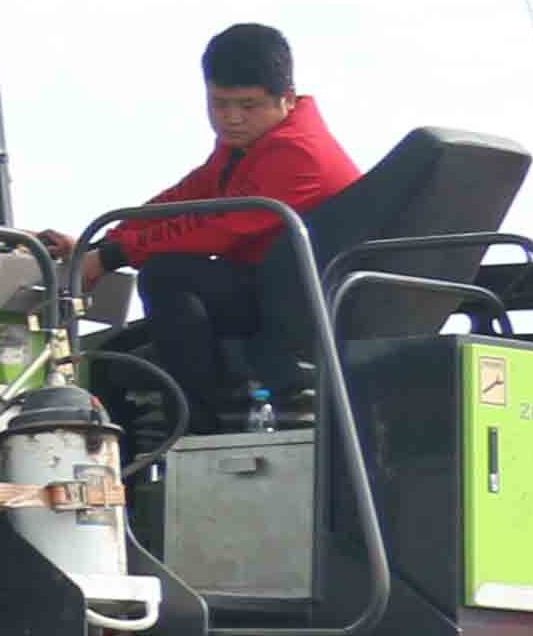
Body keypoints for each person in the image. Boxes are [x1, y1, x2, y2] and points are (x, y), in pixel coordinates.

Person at [98, 21, 363, 425]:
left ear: (286, 98)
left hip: (301, 304)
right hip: (264, 287)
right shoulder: (249, 143)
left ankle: (196, 427)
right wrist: (103, 242)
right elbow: (187, 198)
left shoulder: (298, 153)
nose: (231, 119)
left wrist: (112, 256)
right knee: (112, 357)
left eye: (247, 105)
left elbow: (215, 229)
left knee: (167, 276)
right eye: (219, 104)